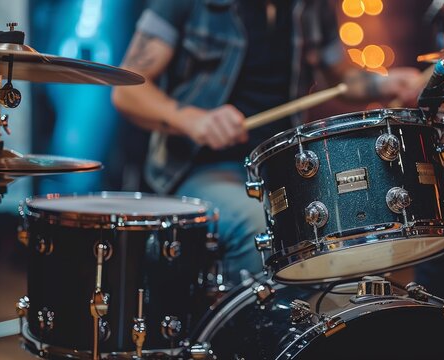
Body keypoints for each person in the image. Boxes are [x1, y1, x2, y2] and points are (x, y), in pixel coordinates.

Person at [111, 0, 424, 286]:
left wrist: (385, 82)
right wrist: (194, 120)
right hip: (200, 167)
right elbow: (127, 89)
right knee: (258, 224)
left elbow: (341, 76)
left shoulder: (312, 6)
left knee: (422, 198)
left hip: (287, 171)